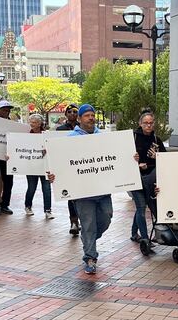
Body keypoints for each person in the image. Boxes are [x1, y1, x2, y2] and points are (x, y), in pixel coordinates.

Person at [48, 104, 139, 274]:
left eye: (92, 115)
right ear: (80, 118)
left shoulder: (104, 138)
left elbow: (117, 157)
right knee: (88, 225)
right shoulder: (70, 139)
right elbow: (60, 163)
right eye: (87, 115)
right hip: (83, 193)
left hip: (102, 191)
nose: (91, 118)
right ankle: (90, 257)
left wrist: (131, 157)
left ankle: (88, 239)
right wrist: (54, 175)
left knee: (106, 218)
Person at [131, 110, 166, 254]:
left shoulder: (157, 140)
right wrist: (135, 163)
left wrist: (157, 159)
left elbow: (165, 159)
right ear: (140, 123)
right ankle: (145, 239)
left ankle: (134, 233)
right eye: (145, 123)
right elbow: (122, 157)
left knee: (143, 206)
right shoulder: (133, 138)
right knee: (141, 207)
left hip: (151, 178)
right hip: (135, 178)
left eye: (151, 123)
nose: (148, 125)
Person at [57, 103, 81, 235]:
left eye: (75, 112)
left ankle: (82, 219)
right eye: (70, 112)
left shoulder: (83, 128)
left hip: (82, 166)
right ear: (66, 114)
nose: (72, 114)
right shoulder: (60, 130)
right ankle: (73, 222)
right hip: (67, 166)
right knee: (71, 196)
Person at [23, 114, 53, 219]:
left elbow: (52, 148)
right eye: (30, 122)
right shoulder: (25, 135)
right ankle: (28, 206)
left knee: (47, 188)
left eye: (34, 122)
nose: (31, 124)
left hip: (44, 166)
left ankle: (48, 210)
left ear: (40, 123)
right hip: (31, 166)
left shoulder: (46, 134)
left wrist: (47, 150)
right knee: (31, 187)